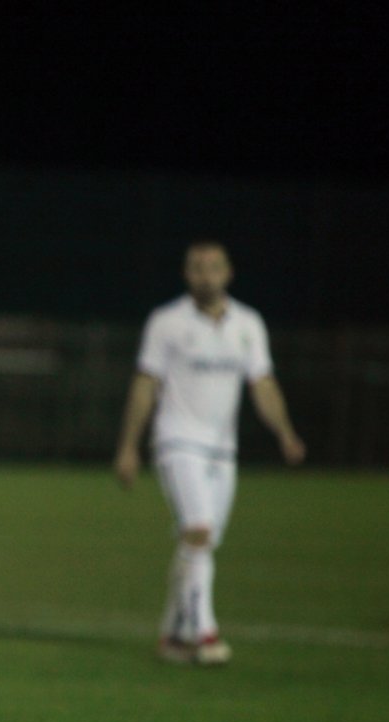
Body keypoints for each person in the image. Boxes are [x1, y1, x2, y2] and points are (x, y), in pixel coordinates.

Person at [113, 240, 306, 666]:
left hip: (223, 451)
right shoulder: (167, 322)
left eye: (213, 267)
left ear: (228, 272)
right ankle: (204, 633)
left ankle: (172, 636)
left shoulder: (248, 324)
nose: (206, 275)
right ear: (186, 274)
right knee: (199, 531)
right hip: (177, 441)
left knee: (199, 543)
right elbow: (146, 383)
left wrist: (285, 433)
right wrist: (128, 446)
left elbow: (262, 383)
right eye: (197, 268)